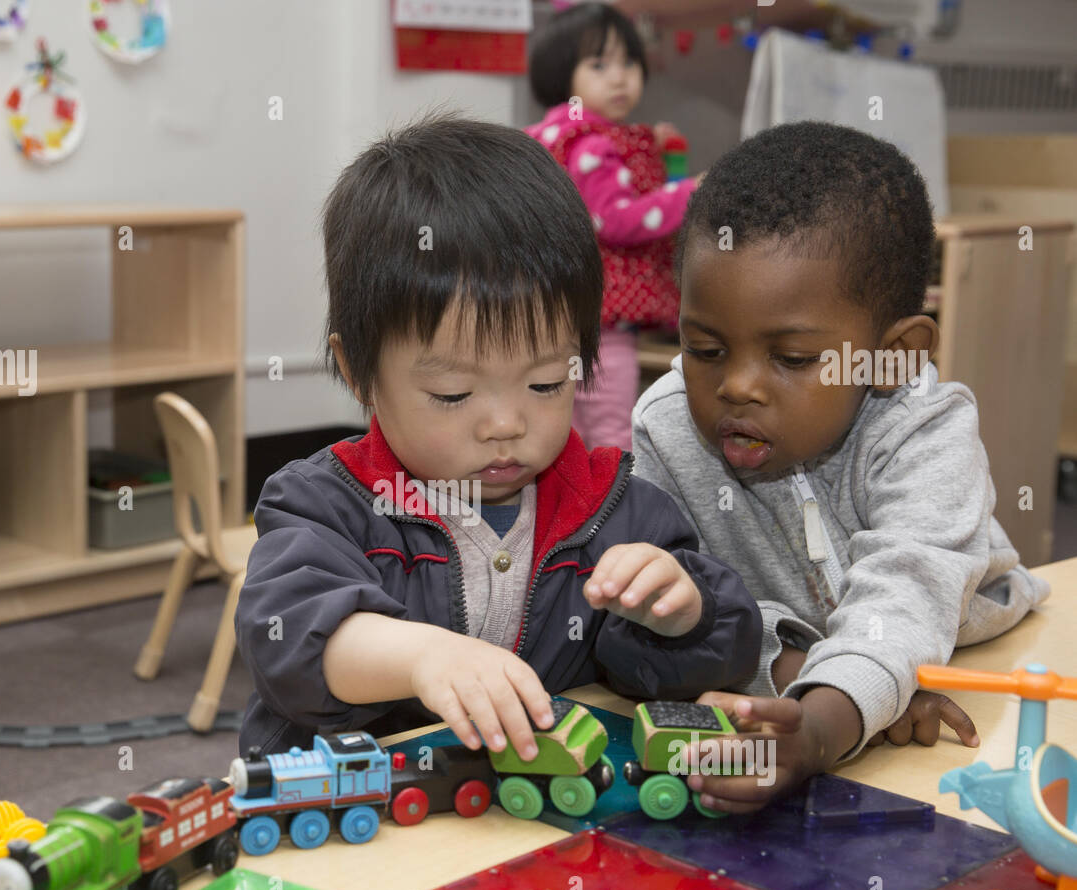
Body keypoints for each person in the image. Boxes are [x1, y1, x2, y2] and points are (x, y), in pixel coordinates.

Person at [235, 114, 761, 760]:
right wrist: (425, 656)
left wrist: (684, 616)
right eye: (453, 395)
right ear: (358, 373)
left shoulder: (616, 510)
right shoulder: (326, 504)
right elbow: (289, 636)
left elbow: (694, 660)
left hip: (525, 822)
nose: (506, 424)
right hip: (362, 828)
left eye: (544, 383)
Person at [631, 120, 1051, 813]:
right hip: (823, 689)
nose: (737, 385)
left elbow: (907, 598)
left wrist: (820, 733)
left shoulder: (926, 429)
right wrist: (816, 680)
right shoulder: (668, 426)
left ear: (895, 354)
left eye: (792, 359)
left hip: (974, 665)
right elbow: (675, 603)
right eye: (706, 348)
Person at [526, 2, 699, 451]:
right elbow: (617, 220)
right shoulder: (591, 144)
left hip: (556, 310)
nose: (619, 77)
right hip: (602, 318)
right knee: (612, 435)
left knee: (569, 428)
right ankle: (614, 514)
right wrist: (689, 193)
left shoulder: (557, 133)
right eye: (599, 65)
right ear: (561, 73)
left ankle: (575, 513)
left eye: (628, 62)